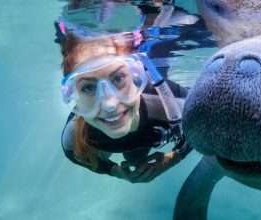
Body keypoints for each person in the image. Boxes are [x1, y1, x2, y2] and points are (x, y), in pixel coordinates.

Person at [58, 2, 195, 183]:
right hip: (145, 135)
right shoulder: (74, 136)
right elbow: (75, 155)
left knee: (134, 158)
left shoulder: (171, 103)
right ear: (73, 95)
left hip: (148, 129)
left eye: (119, 78)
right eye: (88, 88)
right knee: (133, 158)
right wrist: (114, 170)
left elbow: (201, 126)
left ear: (137, 75)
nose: (109, 105)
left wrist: (173, 158)